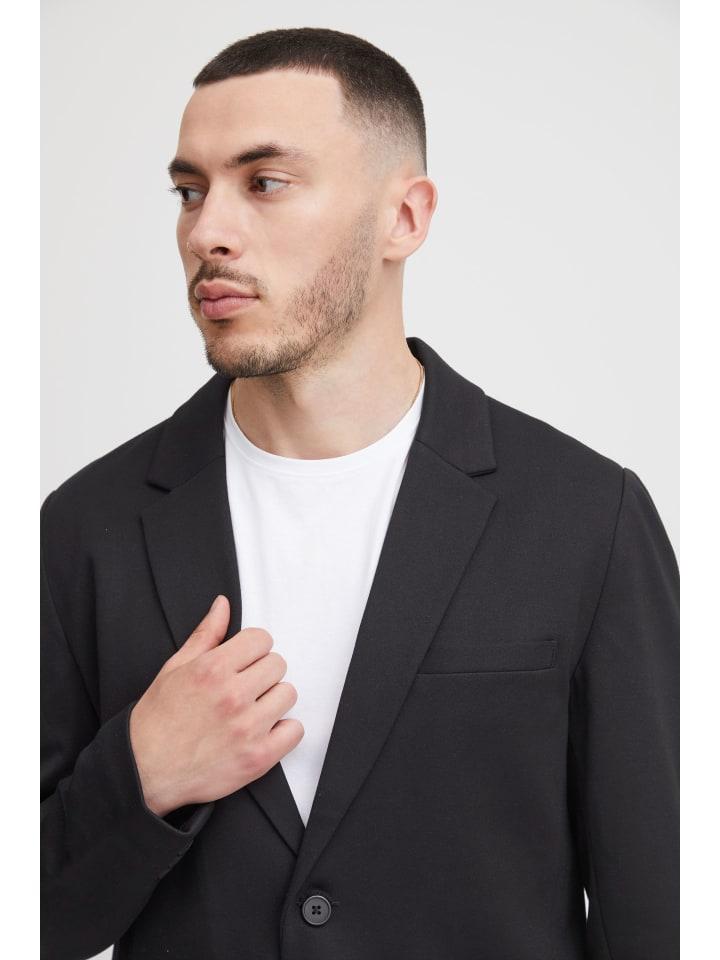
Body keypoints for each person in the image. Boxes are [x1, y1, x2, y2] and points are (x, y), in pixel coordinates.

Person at [40, 26, 679, 960]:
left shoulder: (587, 519)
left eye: (265, 182)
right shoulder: (84, 530)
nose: (206, 232)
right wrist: (139, 777)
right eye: (190, 191)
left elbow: (660, 910)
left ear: (404, 219)